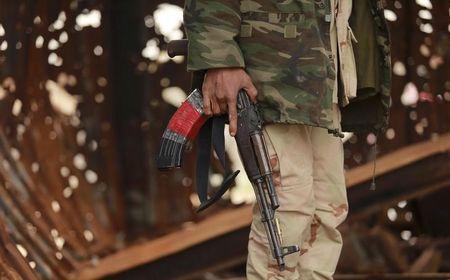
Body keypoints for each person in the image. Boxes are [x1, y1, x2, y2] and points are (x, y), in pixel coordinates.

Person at [184, 0, 391, 279]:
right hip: (269, 77)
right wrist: (219, 59)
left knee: (326, 210)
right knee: (288, 209)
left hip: (322, 73)